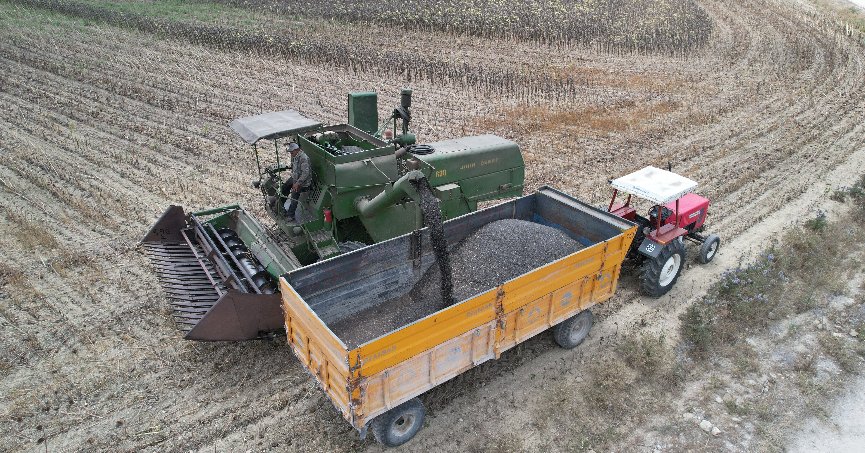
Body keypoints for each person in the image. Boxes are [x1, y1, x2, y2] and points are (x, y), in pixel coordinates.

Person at [282, 142, 311, 222]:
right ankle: (281, 206)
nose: (291, 154)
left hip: (303, 182)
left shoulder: (303, 158)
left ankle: (291, 215)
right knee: (284, 187)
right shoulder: (296, 156)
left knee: (294, 195)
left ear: (297, 150)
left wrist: (297, 183)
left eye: (292, 152)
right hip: (295, 178)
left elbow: (305, 173)